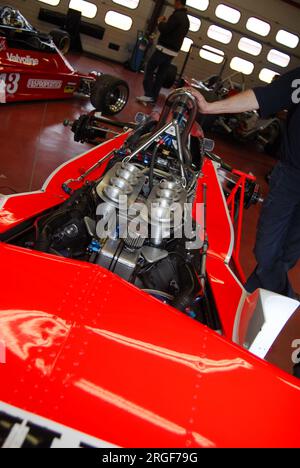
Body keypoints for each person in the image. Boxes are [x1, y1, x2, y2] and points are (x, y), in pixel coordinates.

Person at [190, 68, 300, 299]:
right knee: (266, 251)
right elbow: (263, 96)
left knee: (289, 254)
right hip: (290, 175)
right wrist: (211, 107)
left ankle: (249, 300)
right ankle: (284, 297)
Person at [136, 0, 190, 104]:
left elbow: (165, 30)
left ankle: (148, 94)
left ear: (178, 2)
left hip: (164, 49)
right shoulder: (186, 19)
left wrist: (160, 22)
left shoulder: (176, 16)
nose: (174, 3)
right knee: (161, 74)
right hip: (173, 52)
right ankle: (153, 97)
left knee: (150, 67)